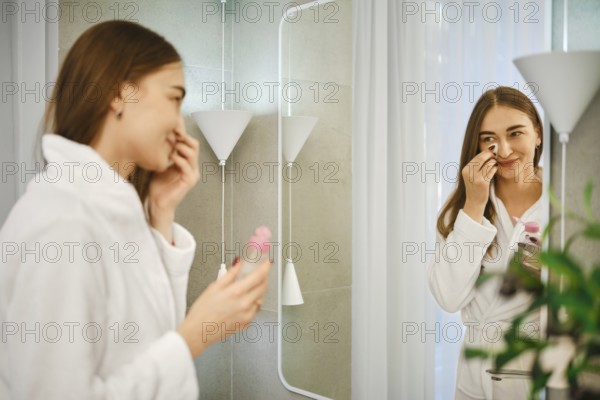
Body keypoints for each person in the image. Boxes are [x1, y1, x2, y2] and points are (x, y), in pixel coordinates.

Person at [0, 20, 270, 400]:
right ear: (119, 94)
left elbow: (146, 344)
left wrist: (161, 212)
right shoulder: (63, 223)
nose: (181, 125)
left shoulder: (108, 210)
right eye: (175, 98)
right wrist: (196, 334)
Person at [428, 86, 545, 399]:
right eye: (489, 138)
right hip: (474, 376)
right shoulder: (460, 210)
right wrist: (475, 205)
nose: (503, 150)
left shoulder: (563, 202)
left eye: (515, 133)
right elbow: (449, 299)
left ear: (537, 134)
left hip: (535, 371)